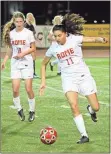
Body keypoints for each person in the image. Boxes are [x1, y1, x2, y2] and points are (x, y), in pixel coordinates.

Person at [39, 13, 108, 143]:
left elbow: (90, 40)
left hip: (83, 76)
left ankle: (91, 110)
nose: (57, 38)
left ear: (65, 33)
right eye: (55, 36)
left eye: (59, 35)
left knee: (96, 107)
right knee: (73, 105)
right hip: (68, 79)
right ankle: (84, 135)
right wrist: (43, 81)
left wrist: (100, 39)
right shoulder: (53, 48)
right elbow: (43, 64)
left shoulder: (74, 39)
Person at [1, 11, 36, 122]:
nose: (19, 23)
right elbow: (10, 50)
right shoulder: (11, 33)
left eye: (21, 21)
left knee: (28, 89)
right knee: (15, 89)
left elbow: (33, 48)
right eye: (17, 22)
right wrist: (4, 61)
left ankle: (32, 110)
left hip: (27, 63)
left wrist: (23, 53)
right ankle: (19, 109)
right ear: (14, 22)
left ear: (24, 21)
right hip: (15, 64)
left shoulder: (28, 33)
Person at [25, 12, 39, 78]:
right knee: (27, 59)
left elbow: (33, 34)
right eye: (29, 16)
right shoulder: (25, 25)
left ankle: (33, 73)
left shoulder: (31, 25)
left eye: (31, 16)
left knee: (33, 58)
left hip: (31, 44)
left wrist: (36, 40)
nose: (31, 18)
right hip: (26, 45)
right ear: (27, 17)